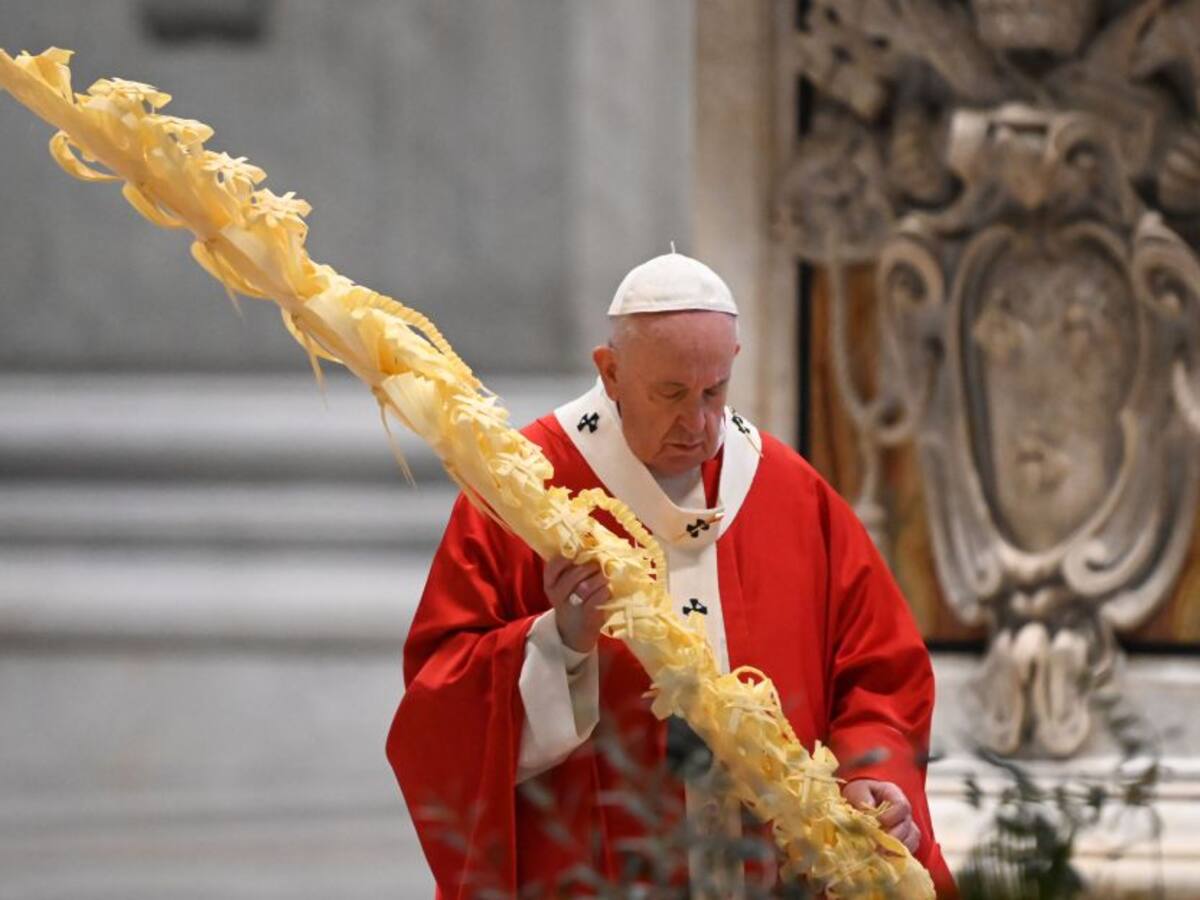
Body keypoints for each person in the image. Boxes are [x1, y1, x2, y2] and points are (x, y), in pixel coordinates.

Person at [387, 252, 957, 897]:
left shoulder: (786, 489)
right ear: (610, 372)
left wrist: (870, 772)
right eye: (671, 394)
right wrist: (560, 642)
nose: (698, 424)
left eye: (715, 390)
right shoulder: (523, 485)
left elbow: (879, 673)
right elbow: (440, 705)